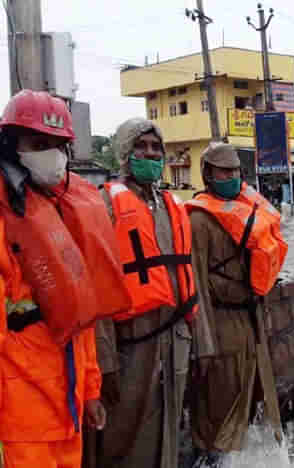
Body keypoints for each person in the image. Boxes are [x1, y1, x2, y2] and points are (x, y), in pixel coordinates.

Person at [0, 90, 132, 468]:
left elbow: (78, 318)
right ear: (10, 145)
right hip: (18, 420)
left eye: (59, 146)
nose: (52, 155)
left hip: (66, 409)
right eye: (38, 143)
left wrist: (90, 391)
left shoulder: (61, 211)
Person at [95, 118, 215, 468]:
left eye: (155, 148)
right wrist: (105, 362)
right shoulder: (104, 207)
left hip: (177, 338)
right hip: (132, 342)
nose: (150, 154)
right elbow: (98, 288)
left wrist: (203, 344)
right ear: (124, 154)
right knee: (126, 432)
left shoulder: (174, 207)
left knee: (172, 424)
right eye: (141, 147)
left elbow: (191, 278)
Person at [185, 143, 288, 465]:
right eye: (223, 171)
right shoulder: (199, 221)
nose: (231, 177)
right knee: (217, 407)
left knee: (244, 402)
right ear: (207, 174)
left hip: (249, 321)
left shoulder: (245, 212)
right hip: (219, 325)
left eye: (235, 172)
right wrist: (203, 345)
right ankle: (210, 460)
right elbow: (196, 284)